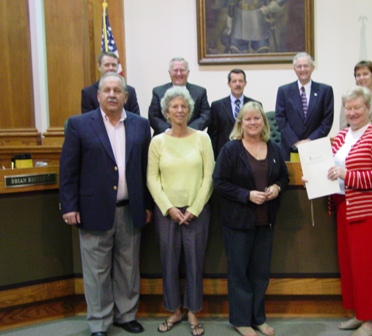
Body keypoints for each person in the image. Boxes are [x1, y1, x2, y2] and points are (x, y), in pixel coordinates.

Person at [60, 73, 152, 336]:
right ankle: (99, 322)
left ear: (126, 96)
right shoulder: (79, 125)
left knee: (128, 267)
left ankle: (125, 315)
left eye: (117, 90)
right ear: (98, 95)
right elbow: (68, 170)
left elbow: (144, 168)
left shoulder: (140, 125)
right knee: (97, 271)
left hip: (130, 208)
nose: (112, 94)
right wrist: (69, 206)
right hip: (93, 210)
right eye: (107, 90)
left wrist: (145, 204)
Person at [213, 101, 289, 336]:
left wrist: (277, 187)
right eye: (248, 119)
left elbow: (284, 178)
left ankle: (258, 318)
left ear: (264, 123)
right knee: (239, 273)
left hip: (265, 222)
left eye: (257, 118)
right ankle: (240, 320)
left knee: (260, 273)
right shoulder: (230, 149)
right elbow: (219, 182)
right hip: (238, 222)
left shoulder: (274, 149)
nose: (253, 122)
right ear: (241, 123)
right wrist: (246, 195)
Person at [325, 86, 372, 336]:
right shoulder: (342, 136)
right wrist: (317, 177)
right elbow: (330, 167)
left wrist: (347, 175)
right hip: (344, 207)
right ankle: (359, 313)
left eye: (357, 107)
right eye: (349, 108)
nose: (352, 112)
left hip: (369, 213)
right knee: (351, 265)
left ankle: (371, 322)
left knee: (368, 268)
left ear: (368, 108)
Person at [147, 87, 214, 336]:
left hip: (197, 211)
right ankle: (174, 310)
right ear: (166, 111)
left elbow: (209, 176)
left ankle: (193, 312)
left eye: (183, 106)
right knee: (169, 263)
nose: (179, 110)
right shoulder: (157, 142)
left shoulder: (202, 139)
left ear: (190, 110)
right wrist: (168, 208)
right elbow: (152, 179)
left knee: (195, 263)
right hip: (168, 213)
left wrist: (195, 208)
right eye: (174, 106)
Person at [275, 52, 334, 161]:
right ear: (294, 69)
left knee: (314, 177)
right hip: (290, 148)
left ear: (312, 68)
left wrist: (310, 140)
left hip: (316, 147)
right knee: (292, 177)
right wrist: (295, 142)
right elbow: (280, 118)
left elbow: (327, 120)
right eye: (299, 66)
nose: (302, 69)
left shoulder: (325, 91)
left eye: (306, 65)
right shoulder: (284, 91)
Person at [148, 57, 211, 135]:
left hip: (192, 138)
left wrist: (188, 130)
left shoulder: (200, 92)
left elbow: (206, 115)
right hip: (165, 138)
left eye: (182, 70)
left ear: (188, 72)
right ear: (169, 72)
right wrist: (170, 131)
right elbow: (153, 116)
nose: (179, 73)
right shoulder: (158, 92)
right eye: (175, 70)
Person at [208, 68, 261, 159]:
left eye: (240, 81)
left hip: (250, 154)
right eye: (234, 81)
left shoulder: (255, 105)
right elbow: (213, 135)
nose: (237, 84)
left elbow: (260, 132)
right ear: (229, 84)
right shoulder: (217, 106)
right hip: (224, 154)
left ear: (245, 83)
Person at [340, 60, 372, 135]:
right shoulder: (348, 98)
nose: (361, 78)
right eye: (358, 75)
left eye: (365, 74)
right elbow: (343, 128)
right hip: (352, 142)